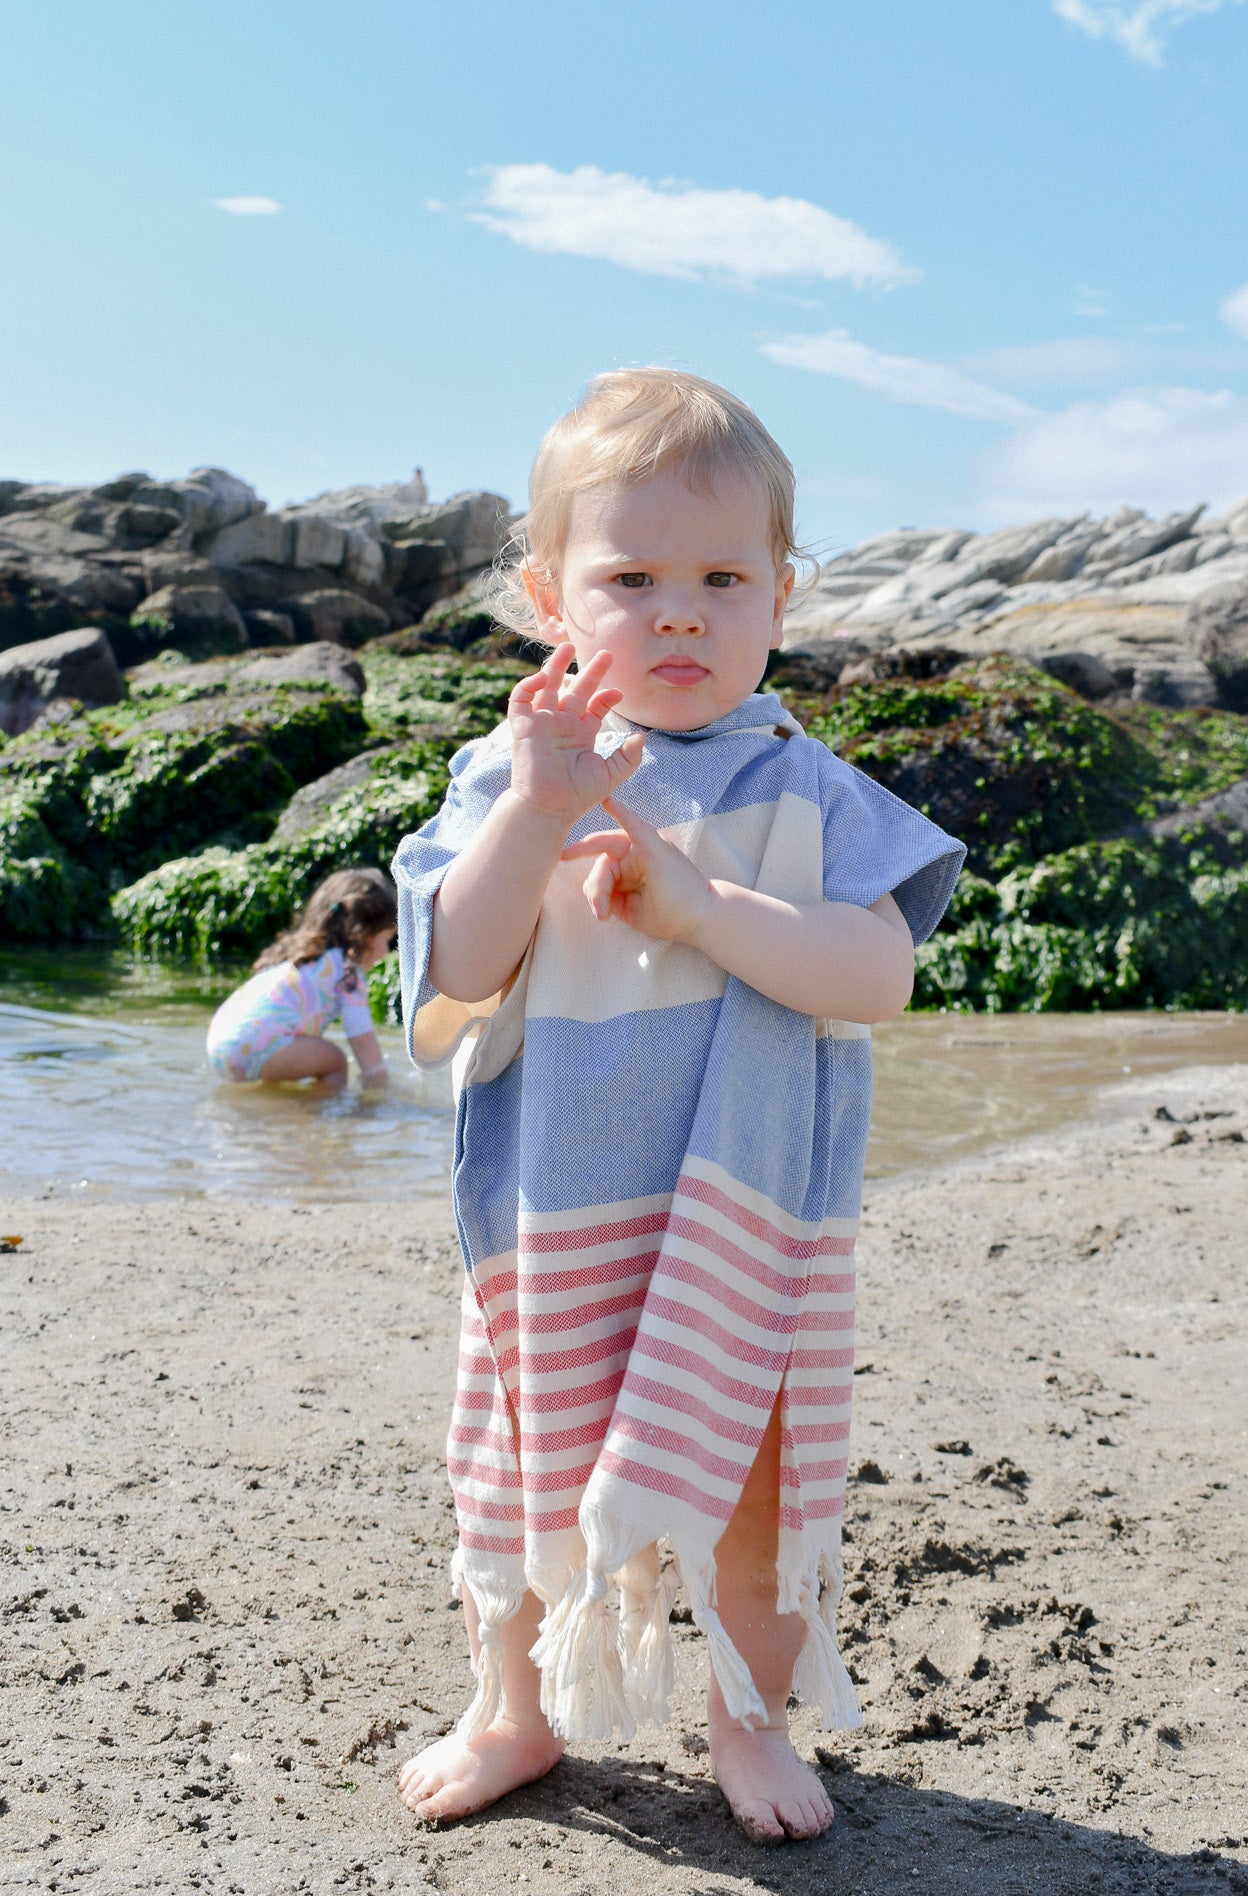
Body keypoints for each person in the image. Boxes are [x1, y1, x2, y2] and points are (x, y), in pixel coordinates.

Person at [391, 369, 965, 1843]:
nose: (682, 613)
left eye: (722, 577)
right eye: (630, 578)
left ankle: (750, 1719)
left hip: (748, 1214)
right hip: (555, 1204)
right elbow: (453, 973)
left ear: (783, 590)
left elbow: (877, 974)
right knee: (522, 1464)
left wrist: (705, 906)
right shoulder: (508, 778)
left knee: (760, 1484)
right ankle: (515, 1707)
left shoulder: (809, 787)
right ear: (546, 597)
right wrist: (534, 810)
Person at [206, 867, 395, 1094]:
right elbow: (362, 1039)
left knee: (306, 1051)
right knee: (335, 1061)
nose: (386, 951)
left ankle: (278, 1110)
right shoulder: (347, 973)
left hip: (220, 1044)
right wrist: (380, 1086)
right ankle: (311, 1120)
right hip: (253, 1048)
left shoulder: (297, 957)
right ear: (362, 934)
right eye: (386, 939)